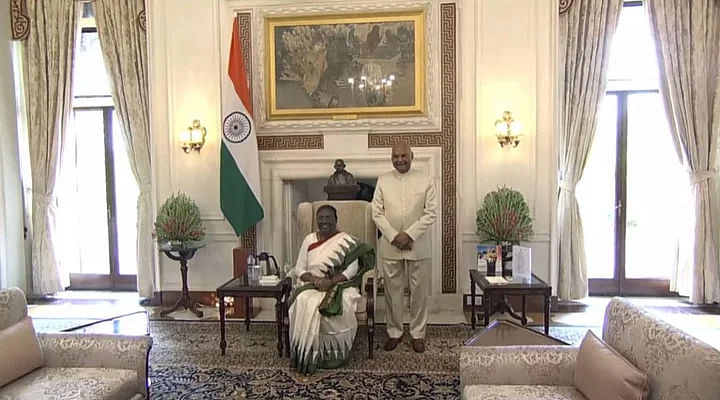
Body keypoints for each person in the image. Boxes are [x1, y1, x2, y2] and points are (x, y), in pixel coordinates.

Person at [288, 205, 375, 374]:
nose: (324, 221)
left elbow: (351, 271)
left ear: (336, 220)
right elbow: (299, 269)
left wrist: (331, 282)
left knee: (343, 302)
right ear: (316, 221)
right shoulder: (309, 239)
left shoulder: (347, 241)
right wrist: (315, 280)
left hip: (340, 285)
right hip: (311, 284)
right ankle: (307, 352)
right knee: (304, 301)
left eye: (328, 217)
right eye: (321, 218)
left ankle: (334, 353)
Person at [371, 142, 437, 353]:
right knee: (392, 292)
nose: (399, 159)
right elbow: (377, 213)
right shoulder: (383, 180)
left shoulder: (425, 180)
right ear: (391, 157)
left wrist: (409, 235)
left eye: (403, 155)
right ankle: (394, 332)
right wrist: (393, 236)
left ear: (412, 156)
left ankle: (418, 333)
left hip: (418, 245)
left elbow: (431, 213)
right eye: (395, 156)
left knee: (419, 293)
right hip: (390, 245)